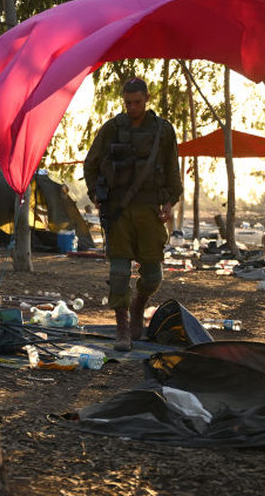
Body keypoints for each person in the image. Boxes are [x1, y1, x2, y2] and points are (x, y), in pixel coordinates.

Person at [83, 77, 182, 351]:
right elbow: (90, 164)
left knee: (152, 276)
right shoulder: (112, 129)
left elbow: (172, 169)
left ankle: (138, 304)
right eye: (128, 102)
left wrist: (170, 201)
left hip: (150, 210)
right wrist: (95, 194)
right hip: (118, 211)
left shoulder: (163, 130)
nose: (132, 107)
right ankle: (122, 328)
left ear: (147, 99)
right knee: (118, 272)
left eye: (137, 102)